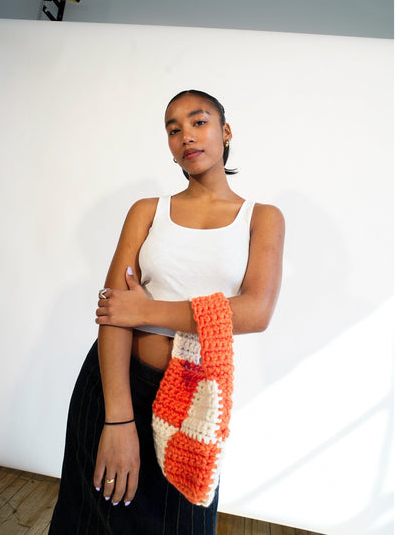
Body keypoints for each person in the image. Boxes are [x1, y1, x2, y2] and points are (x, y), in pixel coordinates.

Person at [49, 90, 285, 534]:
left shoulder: (261, 217)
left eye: (198, 122)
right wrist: (117, 418)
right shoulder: (147, 211)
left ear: (225, 131)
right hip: (113, 386)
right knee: (87, 521)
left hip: (195, 398)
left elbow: (255, 311)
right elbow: (116, 310)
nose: (185, 136)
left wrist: (147, 310)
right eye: (173, 129)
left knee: (182, 524)